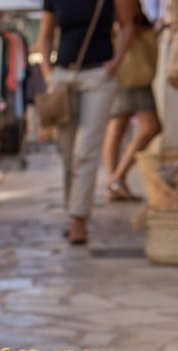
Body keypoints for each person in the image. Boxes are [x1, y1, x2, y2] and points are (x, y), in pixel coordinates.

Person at [38, 0, 135, 245]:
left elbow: (127, 26)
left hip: (98, 77)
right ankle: (74, 211)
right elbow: (46, 35)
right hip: (63, 77)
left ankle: (78, 220)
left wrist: (116, 62)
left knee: (85, 150)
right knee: (68, 153)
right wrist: (48, 72)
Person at [102, 10, 161, 201]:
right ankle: (116, 178)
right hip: (129, 66)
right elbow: (127, 25)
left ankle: (115, 182)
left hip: (121, 66)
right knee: (149, 126)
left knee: (118, 125)